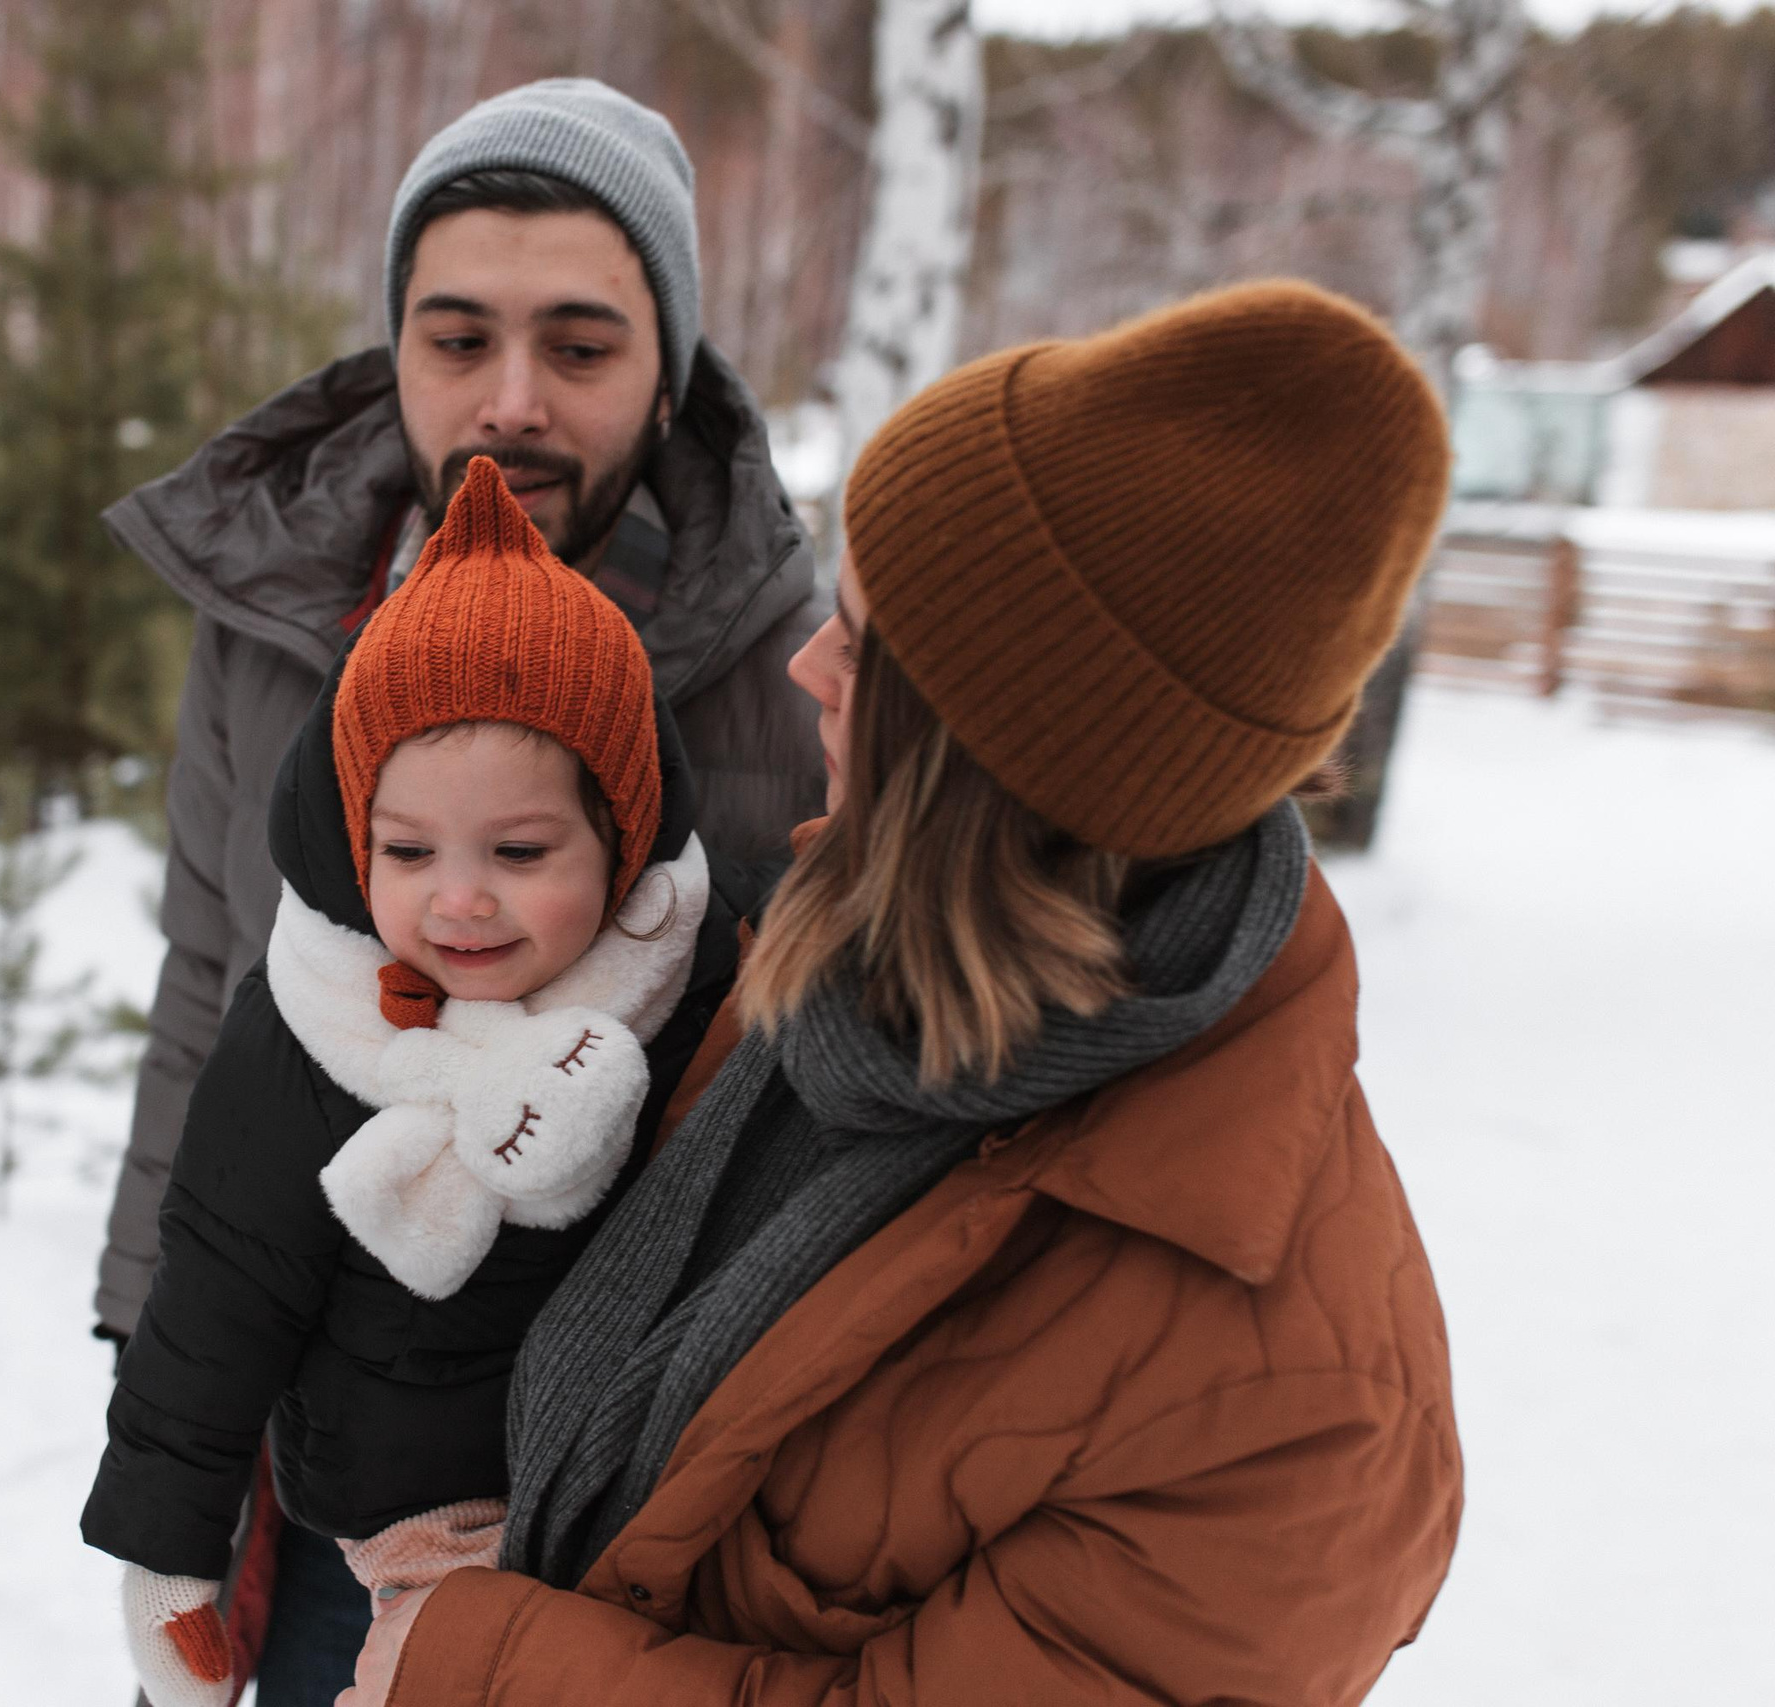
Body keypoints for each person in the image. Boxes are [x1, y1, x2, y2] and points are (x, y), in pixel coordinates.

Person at [335, 280, 1467, 1706]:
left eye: (863, 645)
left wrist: (486, 1664)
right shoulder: (861, 963)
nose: (810, 659)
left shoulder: (1285, 1412)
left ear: (987, 766)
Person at [92, 77, 824, 1695]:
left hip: (645, 1509)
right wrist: (161, 1363)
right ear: (397, 345)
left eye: (578, 345)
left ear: (669, 360)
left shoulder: (789, 659)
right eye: (456, 338)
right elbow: (208, 977)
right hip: (315, 1463)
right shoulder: (276, 619)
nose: (510, 401)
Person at [83, 459, 757, 1707]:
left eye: (518, 851)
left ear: (619, 835)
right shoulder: (310, 1028)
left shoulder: (694, 984)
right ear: (352, 839)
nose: (457, 900)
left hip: (646, 1517)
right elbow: (216, 1298)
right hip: (403, 1531)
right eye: (405, 851)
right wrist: (167, 1554)